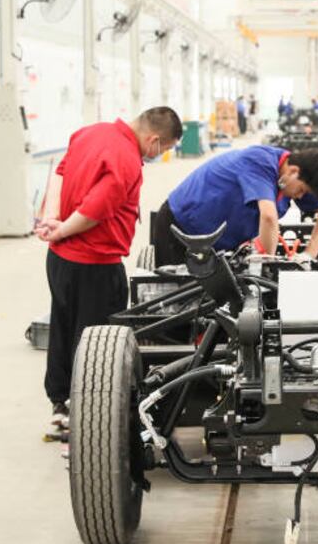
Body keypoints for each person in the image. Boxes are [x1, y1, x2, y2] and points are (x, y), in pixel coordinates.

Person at [36, 107, 183, 426]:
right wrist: (60, 228)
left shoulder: (88, 132)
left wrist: (51, 219)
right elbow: (94, 211)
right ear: (154, 139)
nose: (160, 154)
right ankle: (87, 415)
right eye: (165, 149)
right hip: (96, 264)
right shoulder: (128, 160)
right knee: (97, 341)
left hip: (59, 259)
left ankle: (59, 402)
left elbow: (58, 173)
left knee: (63, 325)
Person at [152, 145, 318, 267]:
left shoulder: (293, 183)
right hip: (179, 230)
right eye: (301, 191)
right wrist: (270, 267)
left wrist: (308, 256)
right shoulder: (259, 160)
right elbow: (268, 217)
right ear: (293, 171)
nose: (300, 197)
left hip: (217, 245)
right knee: (175, 308)